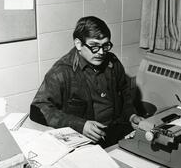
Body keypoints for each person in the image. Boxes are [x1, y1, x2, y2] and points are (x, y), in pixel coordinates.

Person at [30, 16, 143, 148]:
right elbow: (38, 108)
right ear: (78, 44)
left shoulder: (112, 62)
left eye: (105, 46)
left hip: (116, 132)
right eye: (94, 46)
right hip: (86, 141)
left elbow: (125, 94)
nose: (101, 52)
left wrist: (131, 115)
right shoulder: (62, 72)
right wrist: (80, 125)